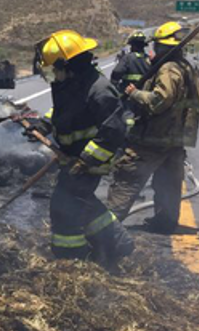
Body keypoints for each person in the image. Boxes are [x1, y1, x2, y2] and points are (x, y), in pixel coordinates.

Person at [30, 29, 133, 267]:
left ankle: (71, 258)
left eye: (54, 69)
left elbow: (113, 131)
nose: (52, 75)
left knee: (63, 206)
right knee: (82, 200)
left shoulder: (99, 90)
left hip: (92, 159)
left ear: (68, 65)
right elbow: (64, 112)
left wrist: (86, 160)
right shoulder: (72, 83)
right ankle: (117, 242)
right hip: (74, 157)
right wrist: (43, 125)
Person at [107, 22, 199, 233]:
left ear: (162, 47)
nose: (154, 50)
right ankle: (165, 223)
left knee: (128, 177)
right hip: (175, 139)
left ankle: (106, 227)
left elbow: (160, 101)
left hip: (154, 137)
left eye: (157, 46)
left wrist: (135, 93)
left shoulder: (169, 69)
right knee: (168, 183)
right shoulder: (188, 68)